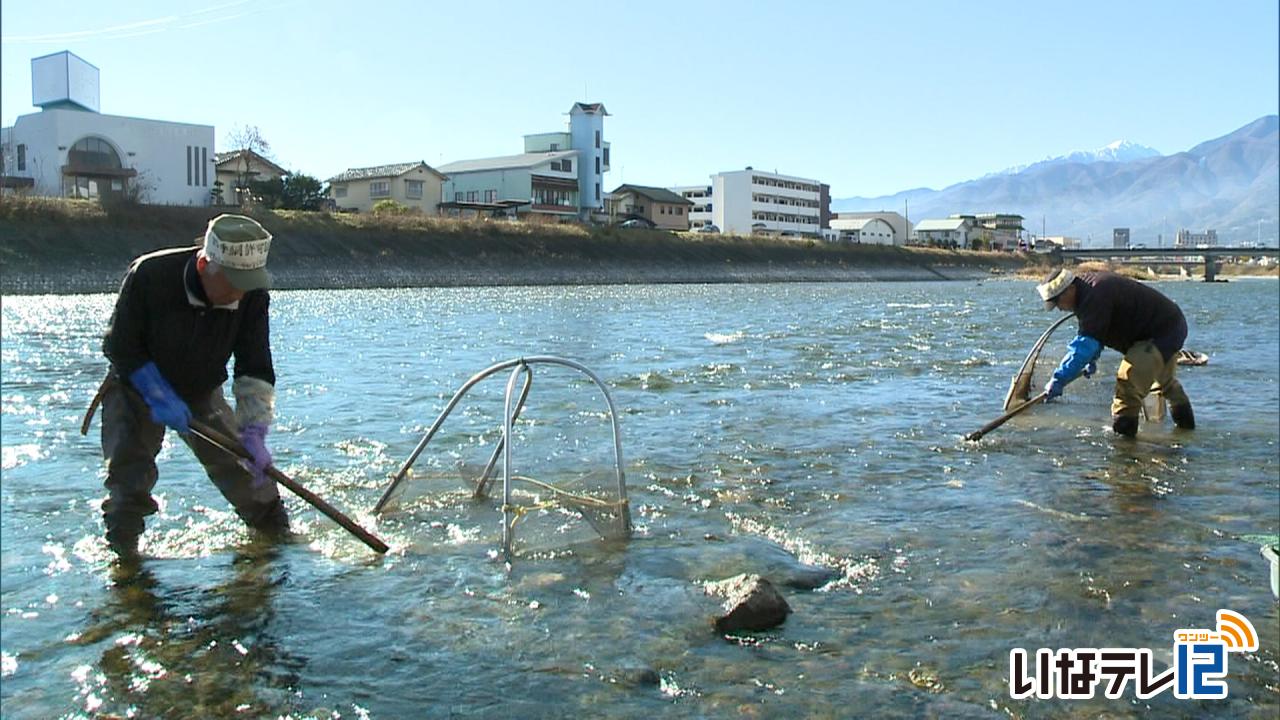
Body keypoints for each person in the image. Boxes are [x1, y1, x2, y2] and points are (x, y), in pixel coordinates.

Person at [96, 214, 288, 557]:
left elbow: (254, 364)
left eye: (246, 284)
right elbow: (119, 346)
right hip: (135, 385)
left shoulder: (253, 294)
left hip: (201, 389)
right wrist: (157, 393)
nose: (238, 293)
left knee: (251, 478)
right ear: (204, 265)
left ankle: (277, 545)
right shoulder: (150, 275)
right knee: (129, 481)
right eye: (231, 283)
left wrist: (254, 430)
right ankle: (126, 565)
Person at [1036, 268, 1194, 437]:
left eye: (1057, 302)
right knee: (1166, 383)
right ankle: (1187, 436)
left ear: (1069, 289)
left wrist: (1059, 378)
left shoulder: (1093, 296)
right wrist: (1092, 358)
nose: (1059, 308)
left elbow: (1085, 344)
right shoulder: (1087, 291)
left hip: (1160, 333)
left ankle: (1124, 454)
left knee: (1127, 386)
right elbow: (1097, 332)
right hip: (1169, 325)